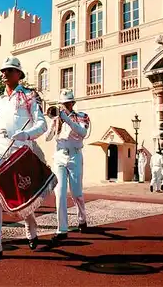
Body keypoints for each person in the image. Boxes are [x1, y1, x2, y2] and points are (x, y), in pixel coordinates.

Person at [0, 56, 47, 261]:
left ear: (19, 74)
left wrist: (27, 135)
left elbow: (42, 124)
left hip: (20, 151)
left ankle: (30, 223)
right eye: (3, 70)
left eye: (9, 70)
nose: (5, 73)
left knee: (21, 195)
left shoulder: (29, 97)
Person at [45, 89, 90, 246]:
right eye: (62, 104)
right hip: (59, 156)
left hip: (75, 156)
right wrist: (52, 124)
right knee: (60, 192)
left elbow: (83, 132)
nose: (63, 106)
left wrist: (67, 119)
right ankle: (61, 229)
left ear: (72, 103)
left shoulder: (81, 116)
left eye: (66, 103)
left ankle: (82, 219)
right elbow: (47, 138)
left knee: (77, 193)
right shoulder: (58, 119)